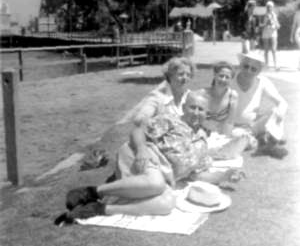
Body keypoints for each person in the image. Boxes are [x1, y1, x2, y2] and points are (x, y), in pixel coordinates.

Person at [55, 93, 242, 224]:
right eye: (192, 107)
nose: (196, 112)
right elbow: (138, 130)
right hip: (142, 156)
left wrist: (225, 175)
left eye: (201, 109)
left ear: (206, 114)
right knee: (156, 184)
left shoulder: (202, 141)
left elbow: (198, 174)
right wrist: (142, 149)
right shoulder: (171, 121)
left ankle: (99, 209)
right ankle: (91, 192)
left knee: (167, 204)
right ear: (184, 108)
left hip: (162, 175)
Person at [231, 51, 288, 158]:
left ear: (259, 71)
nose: (248, 71)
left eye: (253, 69)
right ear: (240, 65)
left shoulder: (263, 82)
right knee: (237, 137)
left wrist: (280, 114)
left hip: (253, 125)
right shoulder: (230, 80)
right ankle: (260, 140)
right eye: (246, 66)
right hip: (234, 128)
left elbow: (282, 102)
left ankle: (270, 142)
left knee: (276, 111)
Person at [124, 56, 195, 126]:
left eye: (188, 75)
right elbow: (139, 119)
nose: (185, 78)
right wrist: (158, 121)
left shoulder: (190, 96)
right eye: (181, 74)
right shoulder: (158, 97)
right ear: (170, 75)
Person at [261, 0, 280, 69]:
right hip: (266, 32)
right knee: (266, 49)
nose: (269, 8)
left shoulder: (274, 15)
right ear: (266, 7)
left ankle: (275, 64)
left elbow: (278, 25)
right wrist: (265, 24)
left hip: (273, 32)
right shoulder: (264, 15)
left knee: (274, 49)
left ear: (272, 7)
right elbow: (261, 25)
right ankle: (266, 65)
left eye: (270, 7)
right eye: (268, 7)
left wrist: (275, 25)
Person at [290, 2, 300, 70]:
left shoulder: (296, 13)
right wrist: (291, 36)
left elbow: (294, 25)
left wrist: (291, 36)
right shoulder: (297, 14)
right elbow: (294, 25)